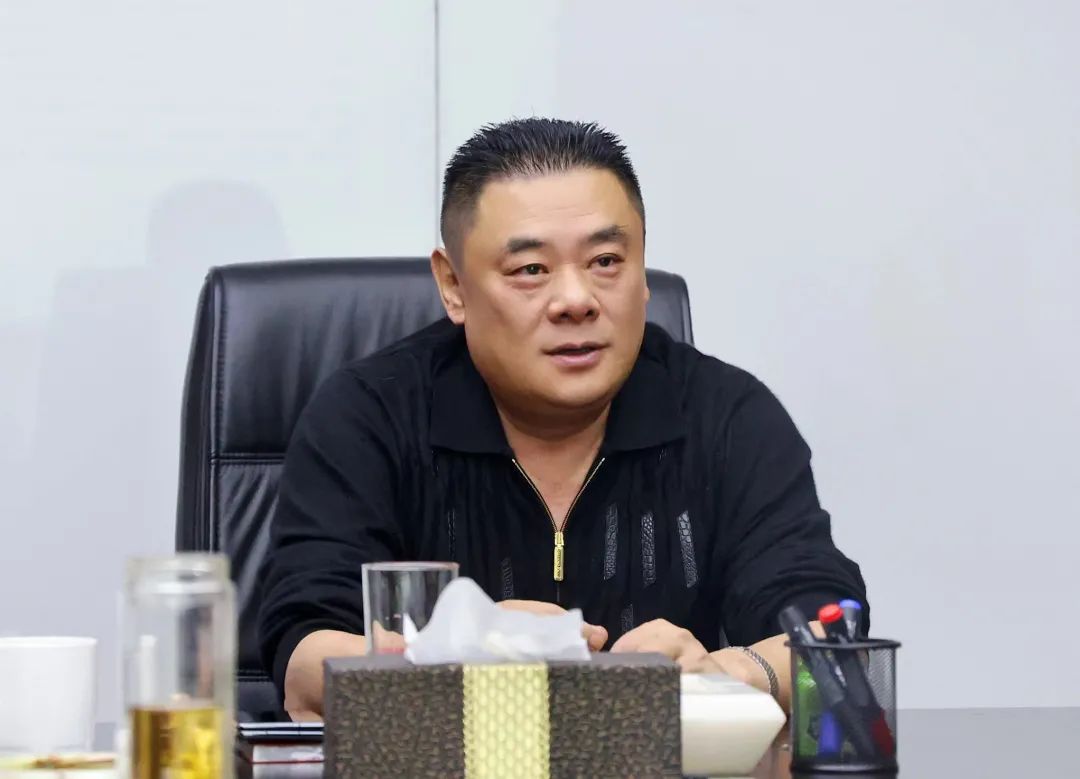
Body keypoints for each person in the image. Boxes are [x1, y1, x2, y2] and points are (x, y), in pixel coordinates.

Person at [258, 118, 867, 720]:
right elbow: (305, 661)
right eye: (531, 269)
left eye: (606, 261)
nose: (576, 300)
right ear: (453, 286)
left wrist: (731, 674)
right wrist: (450, 660)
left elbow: (830, 633)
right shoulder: (368, 416)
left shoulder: (727, 416)